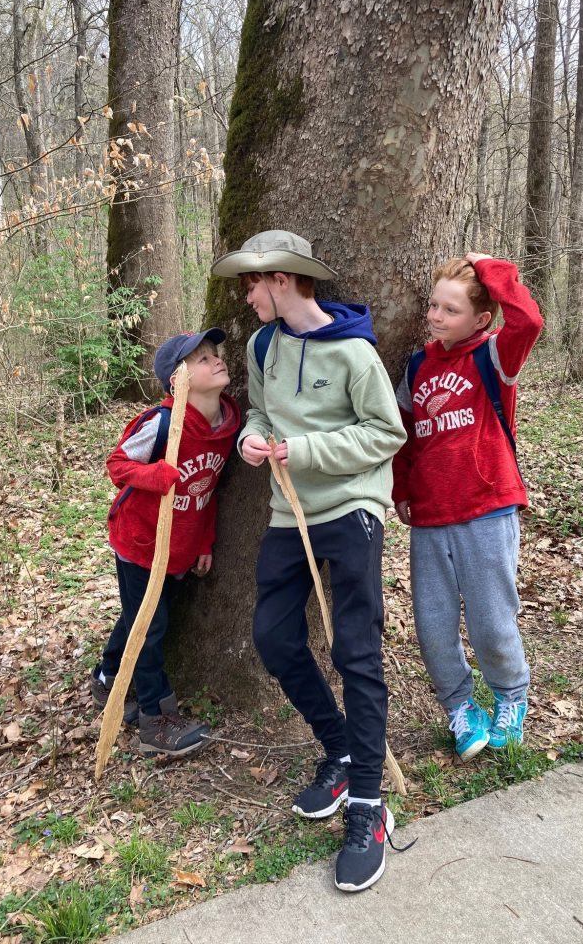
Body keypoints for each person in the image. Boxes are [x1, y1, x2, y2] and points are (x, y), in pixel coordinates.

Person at [212, 230, 407, 893]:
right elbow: (262, 414)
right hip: (285, 512)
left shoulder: (355, 353)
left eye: (254, 283)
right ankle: (342, 748)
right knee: (272, 636)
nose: (247, 295)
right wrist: (252, 440)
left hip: (351, 508)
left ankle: (368, 806)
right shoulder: (262, 344)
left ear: (287, 281)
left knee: (356, 651)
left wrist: (305, 450)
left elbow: (387, 433)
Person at [392, 253, 543, 762]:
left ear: (480, 319)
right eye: (434, 306)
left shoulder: (495, 355)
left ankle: (510, 696)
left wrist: (490, 267)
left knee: (490, 621)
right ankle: (460, 707)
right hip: (431, 516)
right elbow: (403, 436)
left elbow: (530, 320)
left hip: (487, 506)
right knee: (432, 626)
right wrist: (402, 490)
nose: (436, 317)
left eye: (450, 310)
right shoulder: (417, 365)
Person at [90, 329, 240, 757]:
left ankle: (107, 677)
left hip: (181, 545)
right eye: (201, 359)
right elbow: (117, 463)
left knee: (140, 616)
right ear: (178, 380)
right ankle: (156, 720)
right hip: (140, 540)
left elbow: (208, 487)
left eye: (216, 354)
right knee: (150, 627)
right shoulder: (160, 422)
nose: (215, 361)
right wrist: (153, 476)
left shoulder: (227, 425)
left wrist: (205, 541)